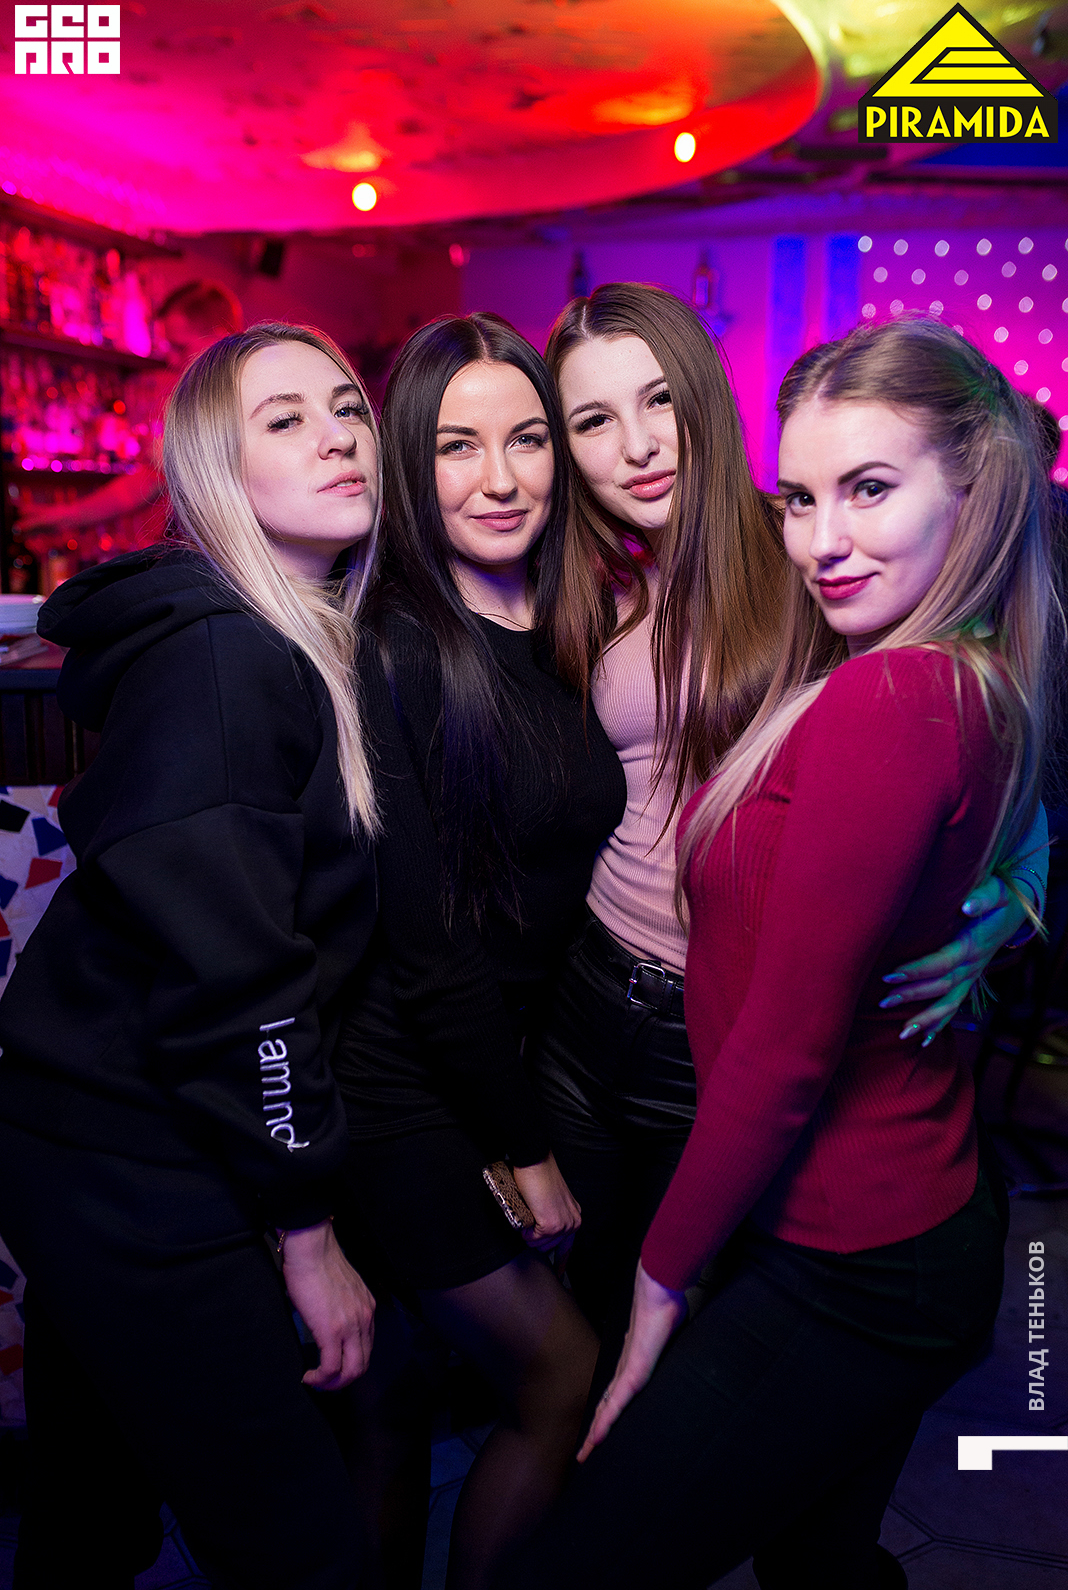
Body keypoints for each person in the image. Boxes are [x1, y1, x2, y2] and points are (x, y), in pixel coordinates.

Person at [504, 315, 1054, 1590]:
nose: (823, 538)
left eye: (868, 489)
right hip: (859, 1193)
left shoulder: (881, 669)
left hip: (846, 1224)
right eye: (802, 498)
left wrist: (1014, 894)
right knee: (818, 1560)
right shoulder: (904, 651)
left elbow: (790, 1047)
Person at [0, 322, 382, 1590]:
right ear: (218, 467)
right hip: (129, 1157)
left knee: (89, 1511)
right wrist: (309, 1233)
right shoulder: (227, 654)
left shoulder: (289, 635)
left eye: (346, 408)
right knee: (302, 1545)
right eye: (285, 420)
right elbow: (241, 982)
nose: (336, 436)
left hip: (88, 1130)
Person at [332, 313, 626, 1590]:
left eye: (528, 438)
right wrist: (525, 1148)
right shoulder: (395, 644)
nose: (500, 478)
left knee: (391, 1404)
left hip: (499, 1058)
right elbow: (430, 945)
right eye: (458, 446)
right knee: (560, 1373)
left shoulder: (579, 619)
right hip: (399, 1085)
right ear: (410, 461)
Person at [17, 280, 244, 556]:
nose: (173, 361)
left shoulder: (251, 398)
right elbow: (148, 481)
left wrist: (175, 462)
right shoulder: (200, 402)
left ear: (220, 339)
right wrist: (66, 516)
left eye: (180, 347)